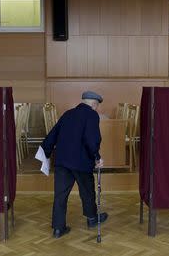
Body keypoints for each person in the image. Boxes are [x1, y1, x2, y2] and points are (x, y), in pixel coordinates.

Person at [41, 91, 109, 238]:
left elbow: (53, 134)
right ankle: (92, 219)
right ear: (94, 104)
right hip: (81, 162)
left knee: (60, 195)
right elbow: (92, 139)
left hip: (62, 161)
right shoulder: (91, 115)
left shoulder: (68, 114)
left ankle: (58, 228)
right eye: (96, 106)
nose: (96, 109)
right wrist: (97, 157)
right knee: (87, 191)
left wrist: (45, 151)